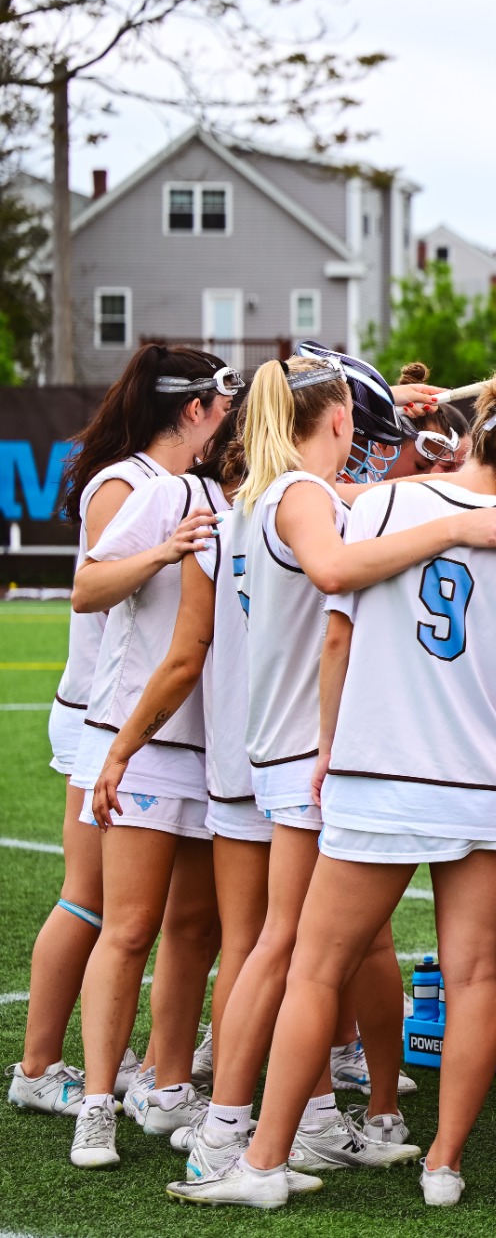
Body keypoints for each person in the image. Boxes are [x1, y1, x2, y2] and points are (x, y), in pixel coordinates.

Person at [176, 363, 496, 1210]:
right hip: (487, 778)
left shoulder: (371, 505)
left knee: (314, 965)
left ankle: (260, 1155)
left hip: (379, 769)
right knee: (469, 976)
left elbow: (339, 640)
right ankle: (441, 1164)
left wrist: (328, 746)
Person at [8, 345, 233, 1121]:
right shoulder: (127, 482)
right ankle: (40, 1065)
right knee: (91, 901)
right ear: (194, 409)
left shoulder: (182, 483)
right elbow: (94, 589)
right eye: (223, 405)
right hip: (103, 714)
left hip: (145, 715)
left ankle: (151, 1071)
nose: (231, 420)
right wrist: (165, 548)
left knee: (153, 914)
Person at [62, 371, 237, 1167]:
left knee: (195, 928)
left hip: (218, 749)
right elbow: (87, 587)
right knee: (129, 926)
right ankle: (97, 1102)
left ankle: (166, 1087)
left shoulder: (269, 503)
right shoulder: (166, 493)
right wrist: (164, 550)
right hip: (140, 739)